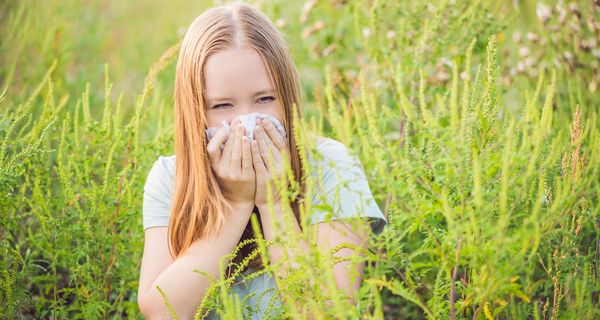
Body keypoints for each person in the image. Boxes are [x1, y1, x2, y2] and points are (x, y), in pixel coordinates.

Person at [137, 2, 388, 319]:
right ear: (196, 111)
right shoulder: (170, 177)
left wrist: (272, 202)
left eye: (265, 99)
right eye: (223, 105)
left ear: (287, 96)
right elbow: (162, 312)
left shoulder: (332, 166)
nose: (245, 123)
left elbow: (327, 313)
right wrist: (236, 203)